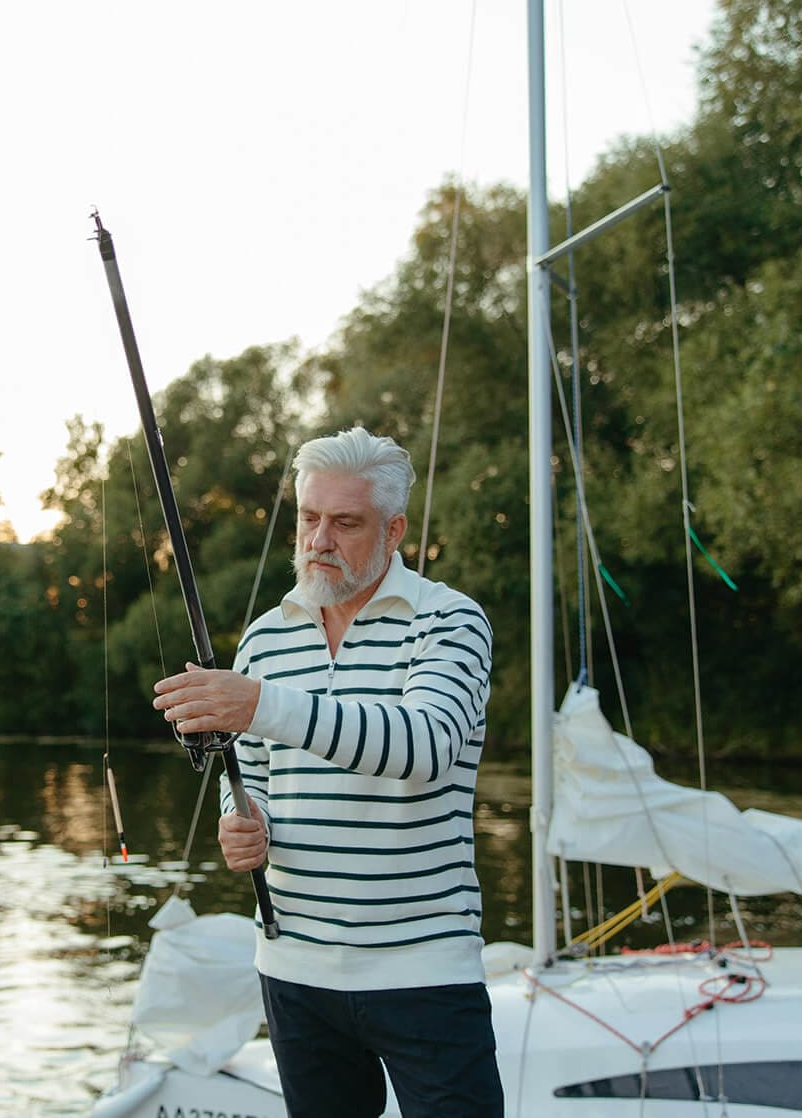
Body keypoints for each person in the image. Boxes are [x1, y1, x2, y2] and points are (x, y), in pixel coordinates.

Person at [152, 425, 503, 1117]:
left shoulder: (448, 621)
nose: (319, 540)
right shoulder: (264, 637)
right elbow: (251, 784)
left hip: (423, 969)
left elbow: (425, 746)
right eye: (309, 518)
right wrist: (244, 826)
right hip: (293, 971)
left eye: (345, 523)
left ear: (394, 529)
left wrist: (260, 703)